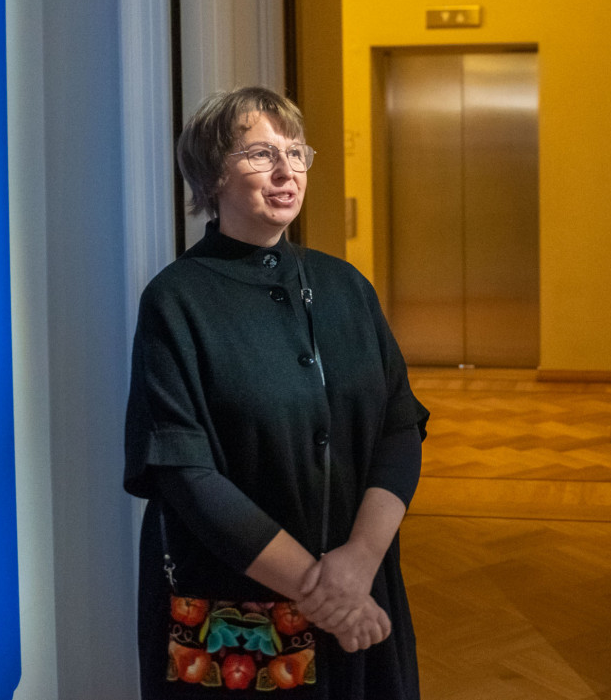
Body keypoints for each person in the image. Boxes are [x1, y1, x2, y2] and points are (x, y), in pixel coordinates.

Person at [124, 86, 428, 698]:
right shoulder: (176, 300)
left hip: (360, 588)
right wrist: (323, 588)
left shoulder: (346, 286)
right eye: (262, 154)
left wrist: (359, 561)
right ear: (212, 175)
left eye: (296, 152)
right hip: (237, 607)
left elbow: (400, 425)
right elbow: (185, 472)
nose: (287, 171)